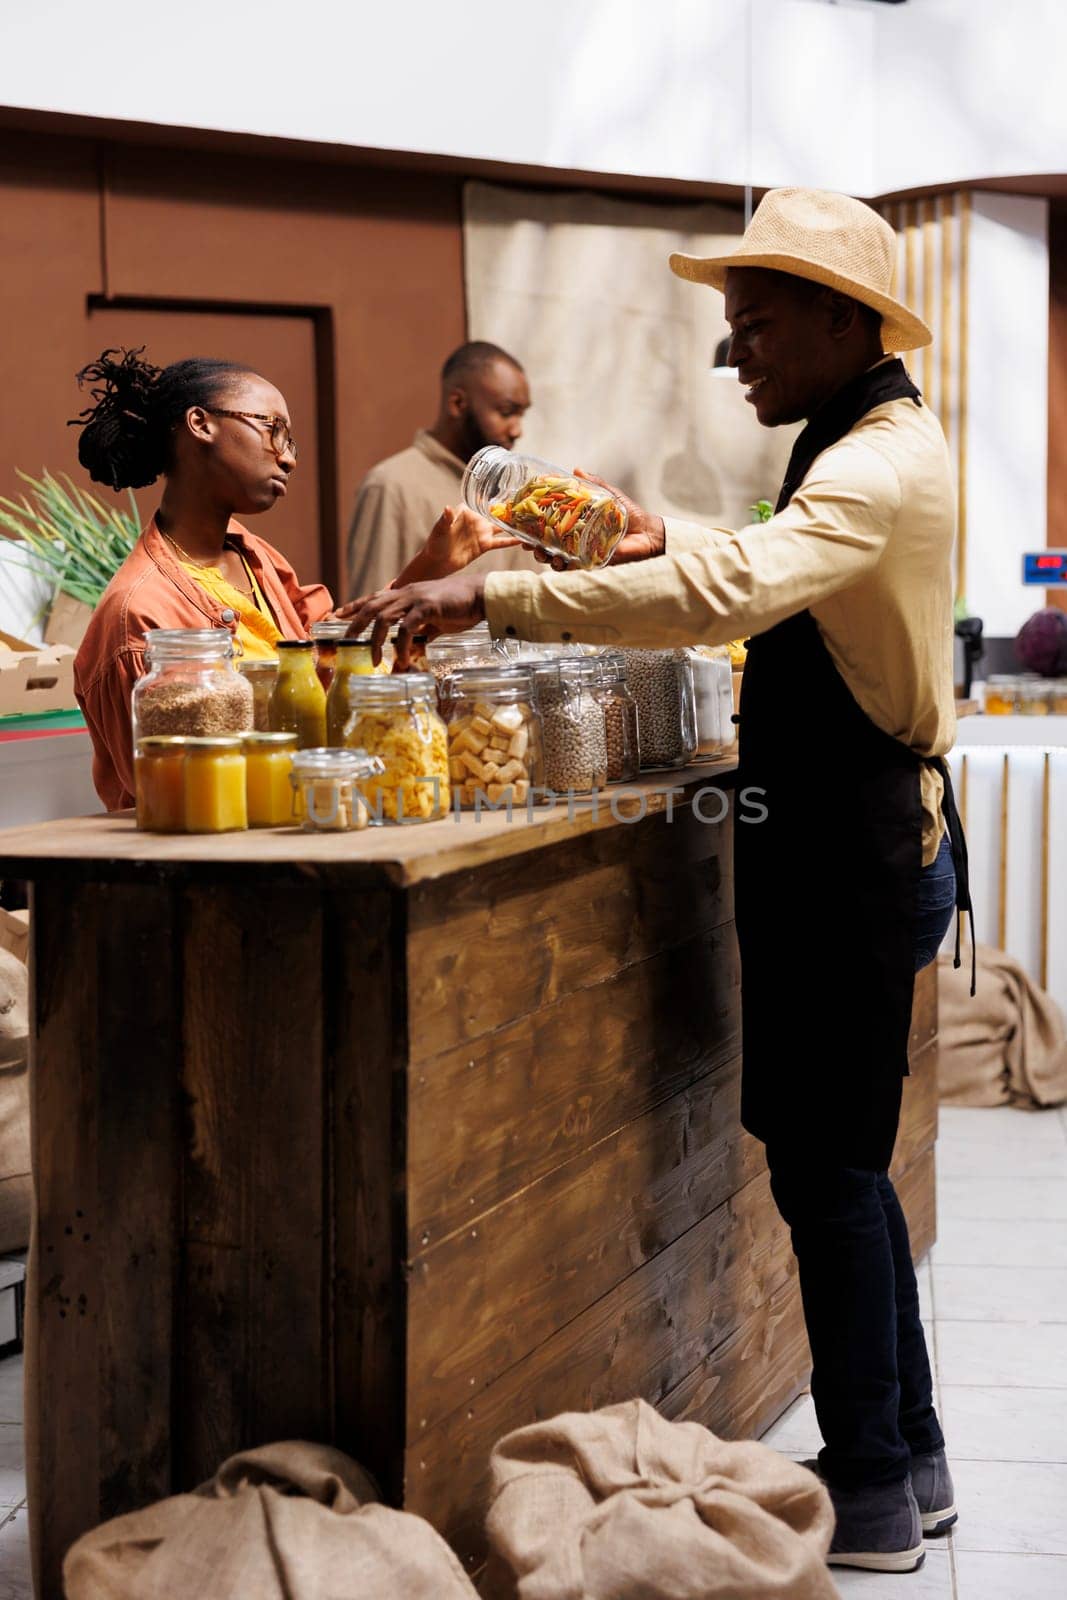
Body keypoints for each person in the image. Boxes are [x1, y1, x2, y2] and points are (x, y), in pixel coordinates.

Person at [338, 189, 973, 1575]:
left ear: (835, 317)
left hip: (851, 853)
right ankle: (903, 1462)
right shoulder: (859, 441)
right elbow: (743, 556)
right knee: (842, 1169)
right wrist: (640, 534)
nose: (731, 354)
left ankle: (869, 1479)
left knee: (826, 1172)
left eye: (751, 327)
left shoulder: (875, 461)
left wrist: (496, 596)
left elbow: (743, 587)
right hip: (834, 845)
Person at [71, 347, 334, 810]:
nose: (288, 459)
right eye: (273, 430)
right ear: (201, 424)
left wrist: (430, 573)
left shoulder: (253, 555)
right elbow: (175, 795)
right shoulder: (139, 614)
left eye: (290, 442)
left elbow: (333, 662)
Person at [345, 340, 532, 598]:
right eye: (506, 412)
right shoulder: (391, 485)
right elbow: (371, 610)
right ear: (457, 403)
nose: (516, 430)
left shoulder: (513, 490)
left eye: (521, 415)